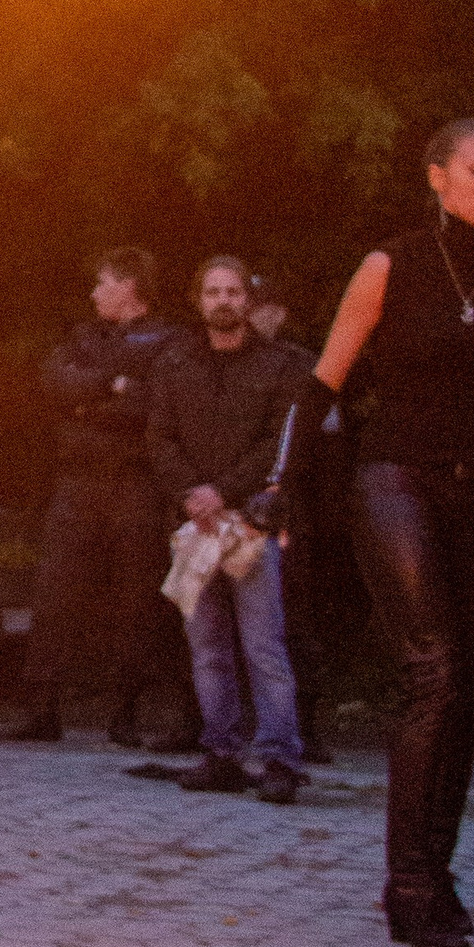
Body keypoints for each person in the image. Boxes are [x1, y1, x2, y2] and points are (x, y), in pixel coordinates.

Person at [311, 117, 474, 947]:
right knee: (433, 668)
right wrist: (278, 489)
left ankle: (439, 869)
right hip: (398, 481)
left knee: (463, 689)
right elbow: (323, 382)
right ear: (437, 176)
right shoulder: (391, 264)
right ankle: (410, 885)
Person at [0, 247, 189, 746]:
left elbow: (151, 408)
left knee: (137, 601)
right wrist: (110, 383)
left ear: (128, 286)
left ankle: (126, 713)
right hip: (77, 485)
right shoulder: (83, 337)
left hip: (135, 484)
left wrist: (91, 403)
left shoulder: (168, 340)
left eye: (102, 283)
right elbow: (55, 385)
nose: (93, 292)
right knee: (55, 594)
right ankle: (40, 710)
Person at [147, 255, 310, 803]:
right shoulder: (173, 364)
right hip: (194, 525)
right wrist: (192, 493)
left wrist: (224, 492)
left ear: (248, 299)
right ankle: (221, 753)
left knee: (264, 646)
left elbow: (277, 442)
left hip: (247, 525)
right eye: (213, 292)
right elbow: (159, 438)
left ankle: (281, 760)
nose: (223, 301)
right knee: (207, 648)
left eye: (233, 292)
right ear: (199, 300)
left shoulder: (279, 366)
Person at [250, 271, 355, 763]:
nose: (252, 315)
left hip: (297, 513)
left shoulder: (303, 369)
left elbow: (329, 443)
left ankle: (305, 727)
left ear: (278, 313)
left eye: (261, 306)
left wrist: (319, 517)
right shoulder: (218, 363)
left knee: (295, 623)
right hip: (237, 508)